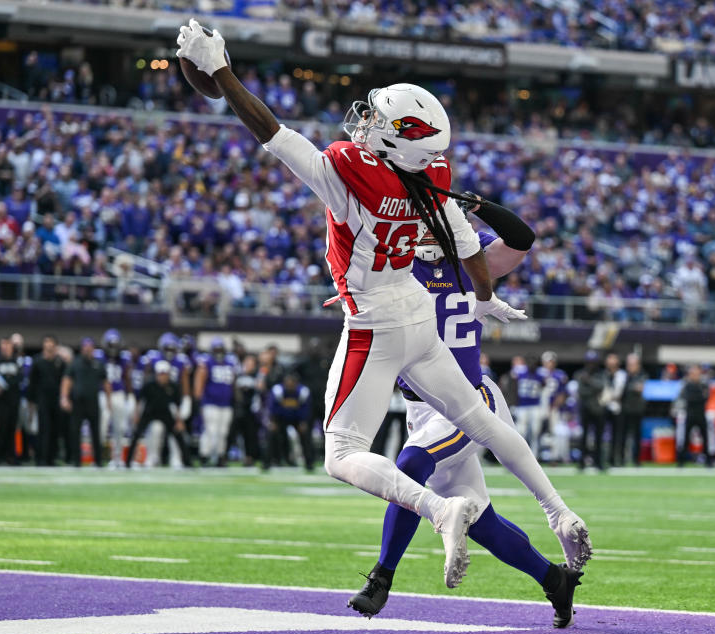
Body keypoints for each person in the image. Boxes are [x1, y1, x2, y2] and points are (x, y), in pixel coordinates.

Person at [178, 19, 590, 584]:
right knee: (481, 419)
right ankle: (558, 509)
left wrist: (221, 71)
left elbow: (270, 132)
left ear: (398, 139)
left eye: (379, 119)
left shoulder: (354, 176)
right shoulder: (434, 176)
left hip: (375, 320)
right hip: (418, 313)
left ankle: (440, 510)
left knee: (341, 453)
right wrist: (485, 299)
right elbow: (470, 251)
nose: (365, 122)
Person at [349, 201, 581, 627]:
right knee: (481, 522)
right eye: (419, 222)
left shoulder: (472, 260)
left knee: (410, 464)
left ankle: (382, 576)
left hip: (469, 401)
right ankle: (554, 579)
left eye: (436, 222)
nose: (426, 231)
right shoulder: (395, 271)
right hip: (421, 409)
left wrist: (477, 206)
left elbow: (521, 239)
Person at [126, 360, 191, 468]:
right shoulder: (149, 385)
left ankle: (187, 462)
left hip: (165, 413)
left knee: (178, 435)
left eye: (165, 374)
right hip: (149, 412)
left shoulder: (173, 386)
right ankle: (128, 461)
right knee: (136, 433)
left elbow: (177, 405)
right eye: (161, 374)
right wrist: (136, 415)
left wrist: (179, 421)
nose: (163, 377)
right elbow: (140, 401)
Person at [60, 337, 108, 467]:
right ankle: (76, 461)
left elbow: (105, 382)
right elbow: (67, 380)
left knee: (96, 432)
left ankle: (98, 461)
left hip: (93, 402)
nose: (87, 349)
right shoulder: (75, 363)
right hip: (78, 402)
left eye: (90, 347)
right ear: (82, 349)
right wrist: (64, 397)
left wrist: (109, 401)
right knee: (75, 431)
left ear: (93, 349)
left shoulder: (98, 364)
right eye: (85, 347)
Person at [194, 337, 239, 466]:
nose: (219, 352)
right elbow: (200, 382)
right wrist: (199, 400)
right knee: (210, 430)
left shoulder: (230, 363)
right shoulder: (207, 362)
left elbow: (233, 384)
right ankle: (205, 455)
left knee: (223, 432)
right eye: (216, 349)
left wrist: (235, 399)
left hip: (226, 403)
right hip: (210, 402)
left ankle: (220, 457)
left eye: (221, 349)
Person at [97, 329, 133, 468]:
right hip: (102, 394)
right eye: (110, 345)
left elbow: (127, 377)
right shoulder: (99, 356)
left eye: (115, 345)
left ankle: (117, 457)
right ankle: (98, 456)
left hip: (118, 393)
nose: (113, 349)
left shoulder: (124, 358)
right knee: (102, 425)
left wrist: (130, 396)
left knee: (120, 427)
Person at [28, 335, 66, 465]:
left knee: (55, 430)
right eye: (47, 344)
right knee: (44, 429)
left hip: (56, 400)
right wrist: (31, 403)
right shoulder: (37, 362)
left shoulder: (60, 362)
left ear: (55, 347)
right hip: (42, 400)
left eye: (51, 345)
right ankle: (41, 458)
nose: (49, 347)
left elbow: (64, 382)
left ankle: (52, 458)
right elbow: (32, 383)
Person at [0, 337, 25, 465]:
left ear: (11, 346)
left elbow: (20, 377)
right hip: (1, 400)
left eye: (7, 344)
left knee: (12, 427)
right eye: (3, 344)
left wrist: (6, 384)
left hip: (14, 398)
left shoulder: (18, 360)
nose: (5, 347)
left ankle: (11, 456)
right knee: (1, 426)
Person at [267, 372, 314, 470]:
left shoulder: (303, 391)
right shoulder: (277, 390)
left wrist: (303, 421)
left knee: (305, 435)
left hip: (297, 418)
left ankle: (309, 462)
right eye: (287, 383)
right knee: (271, 433)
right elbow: (272, 407)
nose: (289, 385)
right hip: (280, 418)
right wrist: (273, 421)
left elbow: (306, 408)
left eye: (291, 383)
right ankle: (268, 462)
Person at [675, 365, 713, 467]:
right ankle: (681, 461)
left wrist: (697, 397)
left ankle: (708, 461)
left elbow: (706, 398)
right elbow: (688, 398)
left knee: (705, 439)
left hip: (701, 414)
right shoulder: (686, 385)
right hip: (690, 414)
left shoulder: (703, 385)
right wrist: (698, 397)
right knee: (685, 439)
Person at [573, 351, 604, 470]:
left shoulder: (601, 374)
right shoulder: (579, 374)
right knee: (584, 436)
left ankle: (598, 462)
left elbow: (601, 387)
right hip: (585, 407)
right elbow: (582, 391)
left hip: (598, 409)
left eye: (593, 362)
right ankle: (582, 462)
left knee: (598, 436)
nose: (591, 365)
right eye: (589, 362)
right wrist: (593, 388)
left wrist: (589, 381)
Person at [509, 356, 545, 457]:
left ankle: (534, 455)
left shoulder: (540, 374)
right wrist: (513, 403)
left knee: (535, 431)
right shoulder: (519, 372)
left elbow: (544, 388)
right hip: (522, 406)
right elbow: (513, 388)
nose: (531, 365)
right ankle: (520, 454)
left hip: (535, 406)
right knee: (521, 431)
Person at [232, 354, 262, 467]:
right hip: (238, 408)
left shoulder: (257, 376)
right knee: (232, 434)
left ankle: (249, 457)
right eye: (247, 363)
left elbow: (260, 390)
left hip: (251, 410)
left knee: (250, 435)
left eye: (251, 364)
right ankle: (223, 457)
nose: (249, 366)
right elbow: (234, 390)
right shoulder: (238, 375)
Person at [618, 353, 646, 467]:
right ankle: (621, 459)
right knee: (622, 435)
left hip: (637, 409)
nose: (631, 367)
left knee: (637, 436)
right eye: (629, 364)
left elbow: (641, 388)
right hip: (625, 409)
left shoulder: (642, 375)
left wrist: (634, 388)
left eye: (633, 364)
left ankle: (636, 459)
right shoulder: (623, 376)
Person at [600, 353, 626, 467]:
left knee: (618, 435)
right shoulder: (603, 374)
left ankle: (616, 459)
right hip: (604, 406)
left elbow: (620, 392)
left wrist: (611, 396)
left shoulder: (621, 375)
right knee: (602, 434)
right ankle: (602, 459)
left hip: (617, 407)